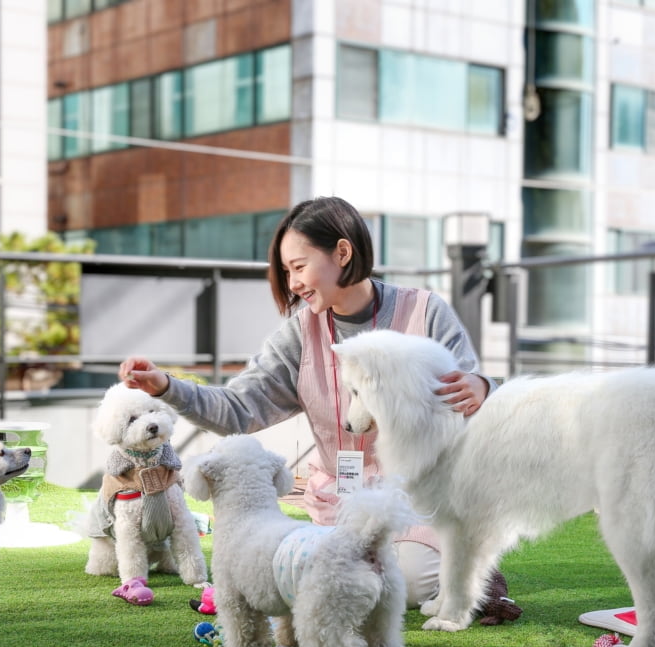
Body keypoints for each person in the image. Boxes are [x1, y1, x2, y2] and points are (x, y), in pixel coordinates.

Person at [118, 196, 495, 609]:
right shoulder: (300, 333)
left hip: (417, 499)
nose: (293, 283)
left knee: (409, 583)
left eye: (299, 266)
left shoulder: (425, 312)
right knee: (331, 577)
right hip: (339, 502)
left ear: (343, 252)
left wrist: (482, 386)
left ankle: (463, 561)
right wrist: (164, 386)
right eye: (287, 271)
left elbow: (468, 394)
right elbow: (239, 408)